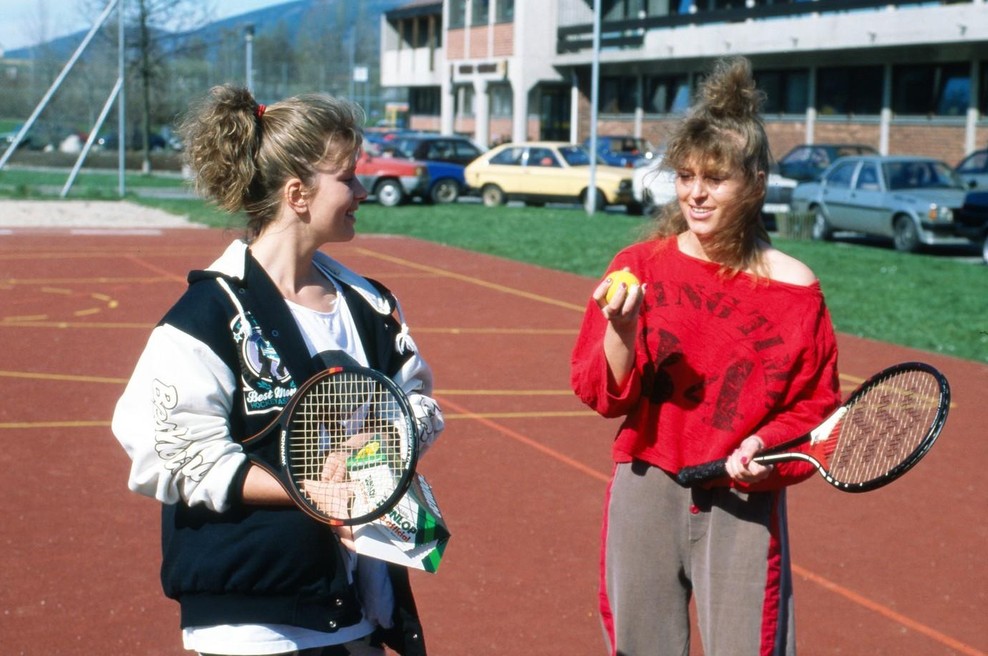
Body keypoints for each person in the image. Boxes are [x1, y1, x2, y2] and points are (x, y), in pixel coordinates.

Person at [112, 85, 444, 656]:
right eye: (348, 178)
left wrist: (383, 440)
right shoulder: (207, 316)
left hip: (357, 612)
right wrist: (314, 490)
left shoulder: (369, 304)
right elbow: (167, 452)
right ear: (298, 193)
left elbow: (418, 399)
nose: (362, 191)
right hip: (254, 622)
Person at [570, 57, 841, 656]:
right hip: (647, 480)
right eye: (686, 175)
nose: (694, 192)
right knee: (639, 645)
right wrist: (620, 330)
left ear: (757, 183)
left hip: (742, 497)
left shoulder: (795, 289)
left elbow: (817, 410)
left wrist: (766, 450)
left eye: (714, 179)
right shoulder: (638, 266)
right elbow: (601, 394)